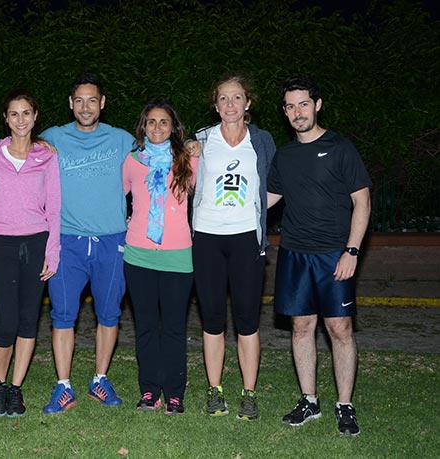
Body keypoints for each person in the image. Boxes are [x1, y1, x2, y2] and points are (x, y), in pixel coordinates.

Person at [267, 74, 372, 436]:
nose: (298, 112)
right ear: (285, 111)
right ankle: (309, 400)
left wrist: (352, 251)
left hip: (334, 254)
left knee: (339, 328)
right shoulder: (284, 155)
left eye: (304, 104)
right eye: (291, 106)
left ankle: (345, 404)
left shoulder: (341, 148)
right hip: (295, 253)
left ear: (318, 105)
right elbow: (267, 200)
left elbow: (363, 201)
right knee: (301, 326)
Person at [39, 73, 135, 414]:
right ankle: (63, 386)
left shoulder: (123, 140)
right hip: (67, 241)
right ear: (70, 103)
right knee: (63, 314)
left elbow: (157, 163)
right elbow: (16, 146)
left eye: (92, 100)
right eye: (79, 100)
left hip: (112, 240)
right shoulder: (52, 137)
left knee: (109, 314)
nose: (85, 107)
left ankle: (99, 380)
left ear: (102, 103)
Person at [0, 89, 61, 417]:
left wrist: (53, 250)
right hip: (2, 243)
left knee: (28, 321)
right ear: (5, 119)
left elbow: (55, 205)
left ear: (35, 117)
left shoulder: (47, 156)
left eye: (26, 113)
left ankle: (16, 389)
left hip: (36, 242)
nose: (21, 120)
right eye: (14, 114)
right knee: (6, 322)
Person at [190, 75, 276, 421]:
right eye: (223, 98)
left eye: (236, 98)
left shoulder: (263, 141)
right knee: (212, 319)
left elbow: (278, 182)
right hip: (207, 237)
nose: (230, 105)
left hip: (245, 237)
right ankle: (215, 390)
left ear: (248, 104)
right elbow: (180, 181)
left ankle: (249, 393)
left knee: (247, 320)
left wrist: (254, 208)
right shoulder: (199, 140)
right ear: (215, 104)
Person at [123, 99, 196, 415]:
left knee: (174, 328)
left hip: (178, 256)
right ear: (142, 127)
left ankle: (175, 393)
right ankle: (150, 390)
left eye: (163, 122)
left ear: (174, 127)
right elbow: (117, 198)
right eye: (151, 122)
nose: (157, 127)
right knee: (147, 327)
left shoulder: (188, 160)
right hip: (138, 254)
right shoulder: (131, 161)